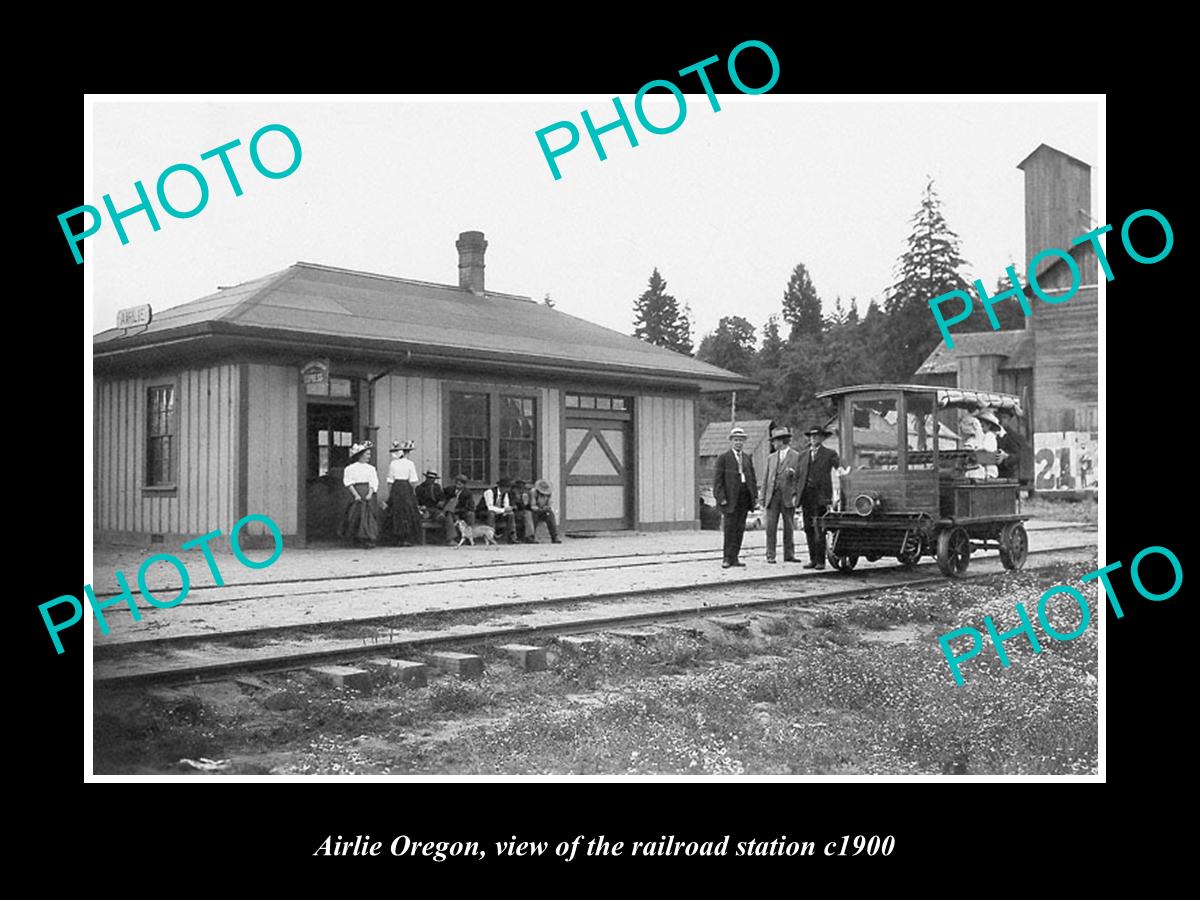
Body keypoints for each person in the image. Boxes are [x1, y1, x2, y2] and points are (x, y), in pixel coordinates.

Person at [713, 425, 758, 569]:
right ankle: (727, 558)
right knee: (729, 529)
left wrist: (754, 497)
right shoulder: (723, 458)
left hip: (744, 497)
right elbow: (718, 482)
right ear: (731, 441)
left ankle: (735, 557)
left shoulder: (746, 458)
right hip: (730, 499)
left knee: (740, 528)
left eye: (741, 440)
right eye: (736, 440)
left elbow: (752, 478)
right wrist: (721, 498)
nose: (738, 443)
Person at [795, 425, 840, 569]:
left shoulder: (829, 454)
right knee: (808, 528)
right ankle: (813, 559)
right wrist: (796, 494)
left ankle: (821, 561)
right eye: (811, 436)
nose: (813, 438)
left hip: (821, 497)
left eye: (817, 436)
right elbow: (798, 476)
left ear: (822, 438)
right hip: (806, 496)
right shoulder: (802, 455)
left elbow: (841, 468)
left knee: (819, 528)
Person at [759, 426, 801, 563]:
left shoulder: (796, 456)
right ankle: (770, 555)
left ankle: (789, 555)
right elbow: (766, 478)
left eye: (774, 441)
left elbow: (800, 478)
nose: (773, 444)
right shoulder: (771, 458)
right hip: (772, 496)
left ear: (782, 441)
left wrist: (796, 493)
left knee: (789, 527)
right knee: (770, 527)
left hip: (788, 496)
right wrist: (762, 498)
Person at [339, 440, 381, 549]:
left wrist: (370, 493)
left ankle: (368, 539)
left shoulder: (371, 468)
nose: (369, 456)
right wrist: (355, 495)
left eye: (369, 454)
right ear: (361, 455)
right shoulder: (350, 468)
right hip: (356, 492)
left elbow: (374, 482)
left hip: (367, 492)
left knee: (368, 516)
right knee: (355, 515)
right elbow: (348, 482)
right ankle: (356, 539)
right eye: (367, 454)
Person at [383, 439, 423, 546]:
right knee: (407, 512)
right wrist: (413, 494)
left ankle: (398, 539)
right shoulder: (410, 464)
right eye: (407, 452)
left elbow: (390, 481)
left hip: (396, 489)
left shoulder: (393, 464)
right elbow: (413, 481)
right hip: (406, 488)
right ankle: (406, 538)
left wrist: (390, 495)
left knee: (397, 512)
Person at [963, 409, 1002, 479]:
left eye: (982, 424)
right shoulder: (976, 438)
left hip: (986, 471)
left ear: (989, 425)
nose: (980, 426)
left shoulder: (990, 436)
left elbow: (987, 454)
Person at [478, 477, 518, 543]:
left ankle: (512, 537)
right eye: (507, 487)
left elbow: (506, 505)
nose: (508, 489)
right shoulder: (489, 492)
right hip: (484, 512)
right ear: (502, 487)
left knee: (510, 514)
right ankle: (491, 537)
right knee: (491, 513)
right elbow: (490, 507)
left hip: (498, 513)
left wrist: (508, 509)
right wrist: (503, 510)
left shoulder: (505, 494)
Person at [441, 474, 477, 546]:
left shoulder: (468, 493)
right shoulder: (449, 490)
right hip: (449, 511)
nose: (459, 483)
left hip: (461, 512)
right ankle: (451, 539)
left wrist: (458, 510)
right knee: (448, 514)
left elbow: (471, 507)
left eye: (462, 482)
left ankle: (470, 538)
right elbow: (442, 499)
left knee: (471, 514)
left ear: (464, 484)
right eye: (457, 481)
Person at [415, 470, 449, 543]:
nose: (431, 480)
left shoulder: (437, 487)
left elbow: (442, 498)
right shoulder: (420, 488)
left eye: (433, 479)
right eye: (429, 478)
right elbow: (417, 500)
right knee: (422, 514)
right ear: (426, 478)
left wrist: (442, 502)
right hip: (424, 508)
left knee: (441, 516)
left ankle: (439, 538)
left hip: (435, 508)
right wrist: (420, 506)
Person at [530, 478, 562, 543]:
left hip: (544, 511)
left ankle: (554, 536)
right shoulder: (533, 492)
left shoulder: (549, 493)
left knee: (550, 514)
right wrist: (539, 509)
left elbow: (549, 503)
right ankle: (532, 536)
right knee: (534, 516)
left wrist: (546, 508)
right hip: (534, 511)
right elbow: (532, 505)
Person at [996, 409, 1023, 481]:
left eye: (1004, 417)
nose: (1001, 419)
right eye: (999, 416)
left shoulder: (1011, 435)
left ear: (1009, 419)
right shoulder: (991, 431)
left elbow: (1018, 455)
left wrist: (1006, 456)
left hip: (1005, 474)